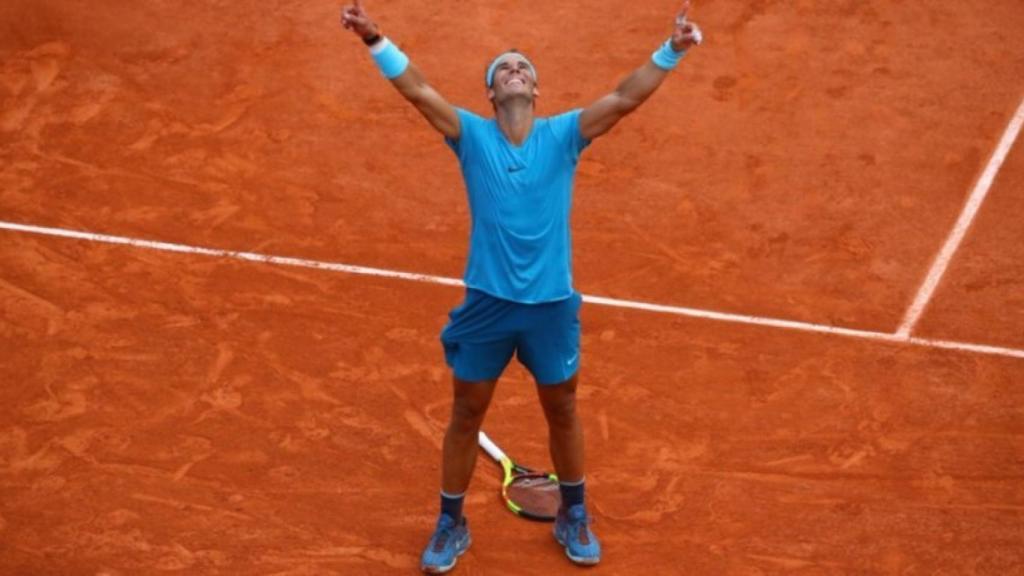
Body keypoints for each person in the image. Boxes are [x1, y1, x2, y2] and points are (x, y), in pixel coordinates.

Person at [340, 1, 702, 572]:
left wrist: (671, 51)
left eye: (523, 68)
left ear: (535, 91)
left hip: (551, 306)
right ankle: (449, 522)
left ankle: (574, 512)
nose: (515, 70)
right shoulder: (471, 136)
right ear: (491, 94)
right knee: (466, 412)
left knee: (562, 406)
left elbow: (626, 97)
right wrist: (375, 38)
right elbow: (417, 91)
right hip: (487, 304)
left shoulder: (564, 135)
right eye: (503, 68)